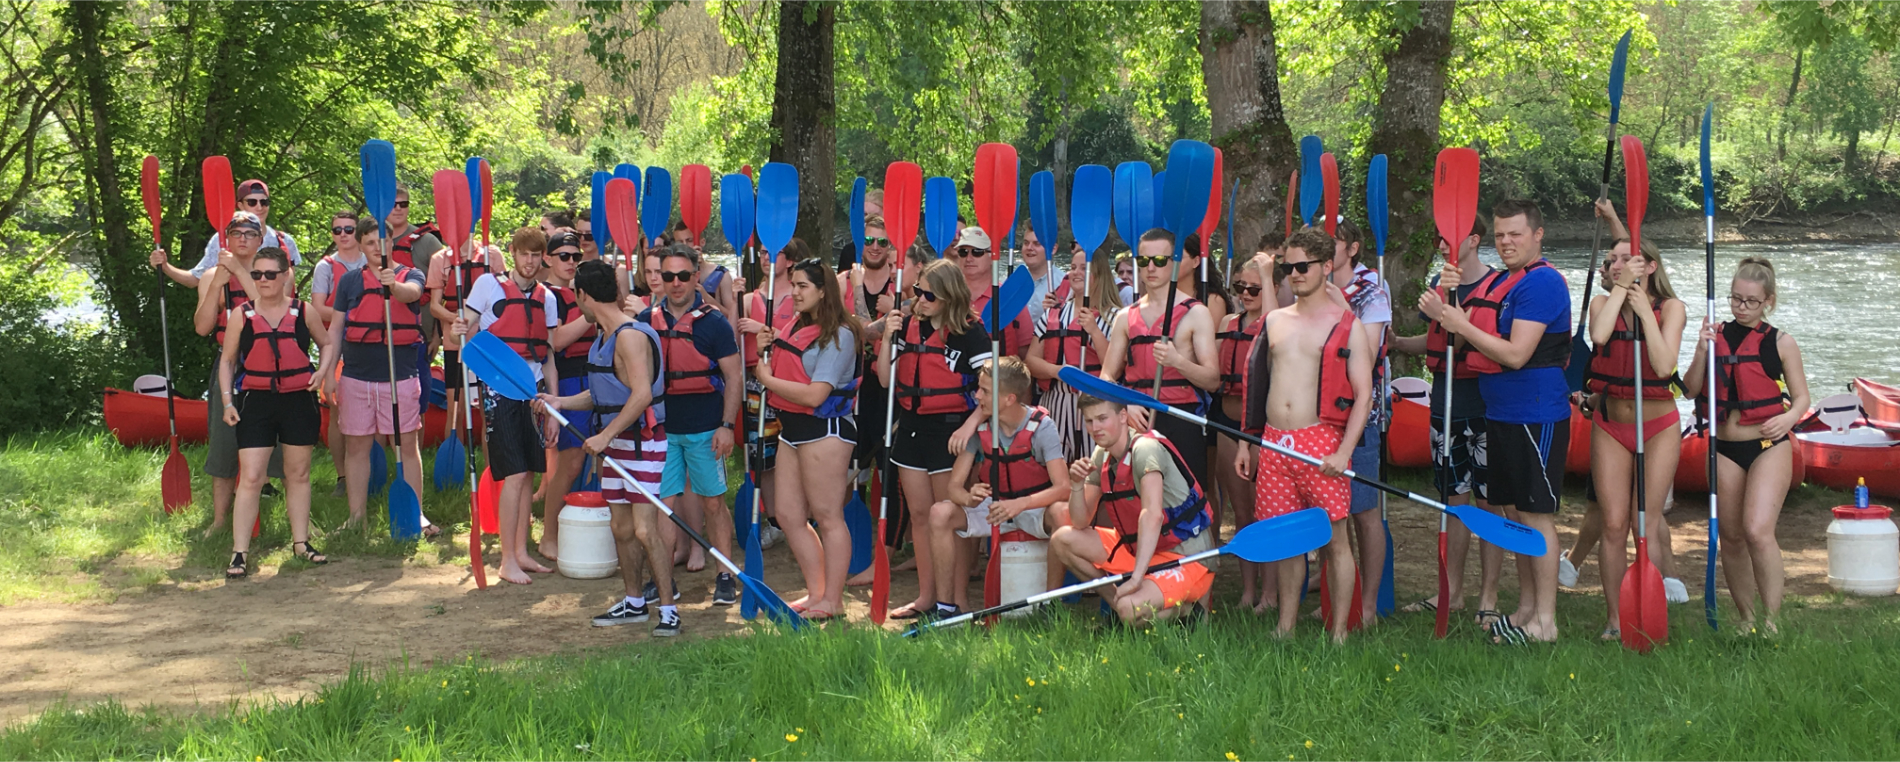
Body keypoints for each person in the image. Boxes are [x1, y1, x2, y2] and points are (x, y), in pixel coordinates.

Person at [1420, 199, 1572, 645]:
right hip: (1502, 413)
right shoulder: (1506, 281)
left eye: (1516, 234)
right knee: (1516, 515)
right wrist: (1450, 297)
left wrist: (1458, 323)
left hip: (1535, 412)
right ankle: (1525, 609)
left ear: (1538, 235)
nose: (1506, 242)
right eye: (1501, 234)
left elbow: (1515, 353)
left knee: (1537, 516)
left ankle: (1545, 620)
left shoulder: (1541, 282)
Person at [1238, 228, 1373, 643]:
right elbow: (1255, 384)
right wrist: (1248, 441)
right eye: (1288, 267)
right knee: (1288, 542)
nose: (1294, 274)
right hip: (1276, 443)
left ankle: (1339, 634)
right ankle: (1286, 627)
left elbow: (1365, 395)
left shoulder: (1348, 325)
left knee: (1335, 542)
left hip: (1322, 445)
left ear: (1326, 267)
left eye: (1302, 267)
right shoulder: (1275, 319)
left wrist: (1344, 452)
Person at [540, 259, 680, 635]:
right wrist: (561, 402)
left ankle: (668, 607)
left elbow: (641, 395)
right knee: (620, 528)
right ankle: (634, 602)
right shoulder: (603, 337)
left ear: (582, 295)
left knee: (645, 529)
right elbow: (603, 393)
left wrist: (604, 436)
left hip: (642, 444)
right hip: (616, 443)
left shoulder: (631, 336)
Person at [1683, 257, 1810, 637]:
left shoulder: (1781, 342)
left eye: (1750, 301)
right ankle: (1746, 620)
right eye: (1735, 299)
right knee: (1733, 535)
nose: (1741, 307)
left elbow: (1802, 398)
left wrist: (1788, 419)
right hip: (1724, 446)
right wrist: (1702, 352)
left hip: (1769, 444)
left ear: (1768, 301)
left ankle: (1772, 621)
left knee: (1757, 531)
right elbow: (1689, 388)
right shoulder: (1714, 335)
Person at [1390, 220, 1505, 624]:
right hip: (1444, 402)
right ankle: (1451, 592)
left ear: (1474, 241)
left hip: (1482, 403)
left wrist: (1451, 311)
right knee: (1452, 501)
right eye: (1439, 238)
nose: (1442, 245)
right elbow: (1439, 338)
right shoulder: (1440, 283)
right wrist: (1401, 344)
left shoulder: (1495, 286)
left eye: (1450, 238)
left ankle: (1488, 598)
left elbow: (1479, 341)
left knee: (1489, 503)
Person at [1580, 233, 1689, 639]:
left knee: (1644, 521)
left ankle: (1649, 606)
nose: (1615, 265)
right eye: (1611, 261)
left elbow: (1663, 368)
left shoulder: (1672, 308)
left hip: (1658, 425)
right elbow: (1601, 338)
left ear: (1650, 267)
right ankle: (1614, 618)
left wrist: (1645, 312)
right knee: (1612, 523)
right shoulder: (1600, 305)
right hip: (1611, 422)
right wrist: (1623, 290)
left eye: (1625, 259)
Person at [877, 259, 993, 620]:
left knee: (948, 517)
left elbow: (994, 388)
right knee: (921, 516)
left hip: (951, 431)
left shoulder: (970, 332)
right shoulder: (908, 325)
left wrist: (970, 424)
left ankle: (958, 599)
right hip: (911, 427)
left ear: (949, 297)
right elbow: (885, 379)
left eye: (930, 294)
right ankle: (927, 597)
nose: (921, 299)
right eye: (918, 292)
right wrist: (885, 336)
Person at [451, 226, 561, 585]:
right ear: (513, 252)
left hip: (534, 392)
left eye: (535, 255)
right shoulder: (488, 285)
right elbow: (467, 330)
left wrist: (554, 406)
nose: (529, 262)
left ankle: (522, 552)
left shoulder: (547, 298)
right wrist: (459, 329)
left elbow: (548, 358)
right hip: (499, 391)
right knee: (514, 474)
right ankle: (506, 559)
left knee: (529, 472)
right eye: (523, 254)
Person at [755, 254, 862, 620]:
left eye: (803, 286)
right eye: (794, 284)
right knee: (786, 514)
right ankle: (816, 592)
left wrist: (766, 379)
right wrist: (763, 351)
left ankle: (833, 599)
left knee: (828, 515)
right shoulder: (796, 326)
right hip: (793, 431)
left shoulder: (841, 335)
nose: (795, 292)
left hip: (825, 430)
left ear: (822, 291)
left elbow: (817, 394)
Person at [216, 246, 333, 578]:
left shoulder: (303, 311)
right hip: (256, 401)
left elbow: (326, 343)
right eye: (256, 274)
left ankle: (301, 543)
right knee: (251, 477)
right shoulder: (242, 314)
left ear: (285, 276)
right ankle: (239, 552)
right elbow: (227, 361)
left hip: (298, 400)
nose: (263, 280)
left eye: (270, 274)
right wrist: (228, 402)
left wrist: (322, 373)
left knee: (298, 475)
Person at [1052, 394, 1216, 626]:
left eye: (1101, 418)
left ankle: (1188, 611)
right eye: (1089, 421)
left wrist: (1137, 578)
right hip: (1141, 551)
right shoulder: (1102, 453)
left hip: (1185, 556)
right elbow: (1079, 523)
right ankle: (1118, 610)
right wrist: (1077, 486)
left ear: (1122, 416)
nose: (1095, 428)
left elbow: (1152, 515)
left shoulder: (1145, 450)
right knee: (1063, 539)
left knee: (1131, 610)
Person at [926, 356, 1070, 616]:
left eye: (985, 391)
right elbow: (953, 488)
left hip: (1032, 509)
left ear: (1009, 399)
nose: (977, 395)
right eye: (979, 388)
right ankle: (946, 607)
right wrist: (969, 498)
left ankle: (1049, 606)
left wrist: (1020, 504)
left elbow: (1063, 488)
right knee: (940, 512)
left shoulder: (1042, 427)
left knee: (1061, 512)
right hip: (993, 509)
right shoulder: (981, 427)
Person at [641, 244, 744, 604]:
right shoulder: (644, 322)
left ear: (696, 277)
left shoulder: (713, 324)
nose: (675, 283)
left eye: (683, 276)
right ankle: (664, 577)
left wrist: (727, 425)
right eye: (667, 276)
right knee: (664, 505)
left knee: (713, 504)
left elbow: (734, 377)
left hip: (705, 428)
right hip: (663, 431)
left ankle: (725, 574)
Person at [324, 222, 441, 536]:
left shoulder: (410, 275)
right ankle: (356, 517)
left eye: (383, 241)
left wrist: (394, 286)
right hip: (356, 376)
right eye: (371, 242)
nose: (378, 248)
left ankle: (416, 515)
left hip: (400, 376)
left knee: (405, 446)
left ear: (393, 242)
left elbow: (412, 294)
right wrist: (328, 375)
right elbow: (335, 330)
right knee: (357, 448)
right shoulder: (349, 281)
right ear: (361, 246)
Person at [1097, 229, 1221, 491]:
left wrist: (1178, 361)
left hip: (1182, 419)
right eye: (1143, 261)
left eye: (1160, 261)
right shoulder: (1125, 316)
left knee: (1185, 505)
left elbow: (1212, 380)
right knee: (1135, 501)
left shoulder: (1196, 313)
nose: (1150, 268)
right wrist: (1125, 404)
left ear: (1174, 263)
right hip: (1137, 418)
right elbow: (1106, 376)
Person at [189, 211, 281, 536]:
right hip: (229, 365)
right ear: (227, 238)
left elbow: (266, 313)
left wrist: (240, 271)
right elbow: (202, 327)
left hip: (267, 364)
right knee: (224, 444)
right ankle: (218, 520)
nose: (243, 238)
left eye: (250, 232)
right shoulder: (212, 275)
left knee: (276, 445)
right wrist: (217, 281)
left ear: (260, 238)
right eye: (236, 232)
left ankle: (277, 510)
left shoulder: (273, 272)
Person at [1328, 220, 1393, 625]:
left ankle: (1368, 602)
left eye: (1330, 243)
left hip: (1362, 414)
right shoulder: (1308, 284)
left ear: (1351, 248)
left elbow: (1366, 358)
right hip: (1318, 414)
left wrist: (1338, 305)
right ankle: (1336, 587)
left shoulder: (1372, 292)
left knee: (1363, 510)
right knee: (1330, 512)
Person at [1213, 256, 1273, 613]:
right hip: (1225, 422)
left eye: (1255, 288)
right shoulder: (1226, 322)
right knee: (1240, 512)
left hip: (1260, 428)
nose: (1246, 294)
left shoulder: (1276, 322)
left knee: (1266, 511)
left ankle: (1271, 592)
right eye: (1240, 287)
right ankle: (1249, 590)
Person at [734, 238, 802, 551]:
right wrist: (727, 296)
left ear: (789, 260)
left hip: (789, 383)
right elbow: (726, 323)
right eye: (762, 252)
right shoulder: (749, 298)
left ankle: (796, 518)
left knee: (793, 455)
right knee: (761, 458)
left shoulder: (800, 296)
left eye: (773, 253)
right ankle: (773, 520)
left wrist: (760, 326)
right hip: (754, 385)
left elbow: (798, 338)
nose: (766, 258)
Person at [1028, 242, 1121, 462]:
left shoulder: (1116, 317)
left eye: (1083, 268)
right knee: (1054, 468)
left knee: (1091, 468)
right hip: (1055, 402)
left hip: (1095, 404)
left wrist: (1095, 332)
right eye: (1072, 267)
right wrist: (1058, 371)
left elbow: (1116, 368)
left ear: (1099, 275)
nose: (1075, 273)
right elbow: (1031, 360)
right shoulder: (1054, 314)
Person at [541, 229, 601, 560]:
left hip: (594, 378)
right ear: (548, 259)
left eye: (576, 256)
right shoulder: (548, 296)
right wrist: (591, 310)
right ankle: (548, 534)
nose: (571, 262)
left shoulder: (581, 293)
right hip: (566, 381)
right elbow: (556, 341)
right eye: (564, 256)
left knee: (597, 458)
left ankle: (592, 525)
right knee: (571, 460)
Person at [311, 211, 368, 497]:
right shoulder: (326, 266)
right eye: (337, 230)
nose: (343, 234)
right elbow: (317, 307)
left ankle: (370, 471)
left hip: (368, 343)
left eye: (348, 229)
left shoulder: (371, 261)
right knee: (336, 409)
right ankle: (343, 475)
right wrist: (349, 315)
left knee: (371, 408)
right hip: (334, 342)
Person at [154, 179, 300, 289]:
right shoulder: (221, 240)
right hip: (234, 319)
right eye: (252, 202)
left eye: (264, 202)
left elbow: (289, 288)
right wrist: (166, 267)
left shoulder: (285, 242)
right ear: (240, 205)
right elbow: (195, 279)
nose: (259, 207)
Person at [429, 240, 499, 446]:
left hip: (485, 343)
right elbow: (434, 306)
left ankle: (491, 467)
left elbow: (504, 294)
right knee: (455, 409)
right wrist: (458, 320)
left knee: (488, 410)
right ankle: (454, 470)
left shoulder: (491, 254)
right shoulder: (439, 259)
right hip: (455, 344)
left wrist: (477, 319)